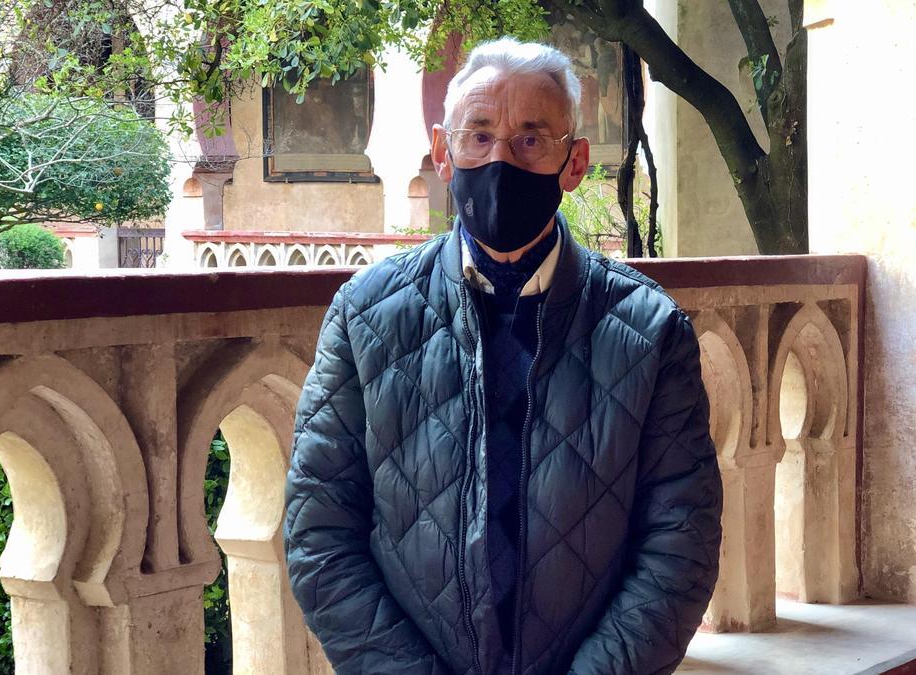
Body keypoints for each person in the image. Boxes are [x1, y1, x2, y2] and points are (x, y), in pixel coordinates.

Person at [283, 37, 722, 675]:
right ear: (442, 152)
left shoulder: (648, 330)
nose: (500, 160)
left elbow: (680, 545)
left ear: (574, 164)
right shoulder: (366, 316)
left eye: (531, 139)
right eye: (479, 135)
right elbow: (319, 533)